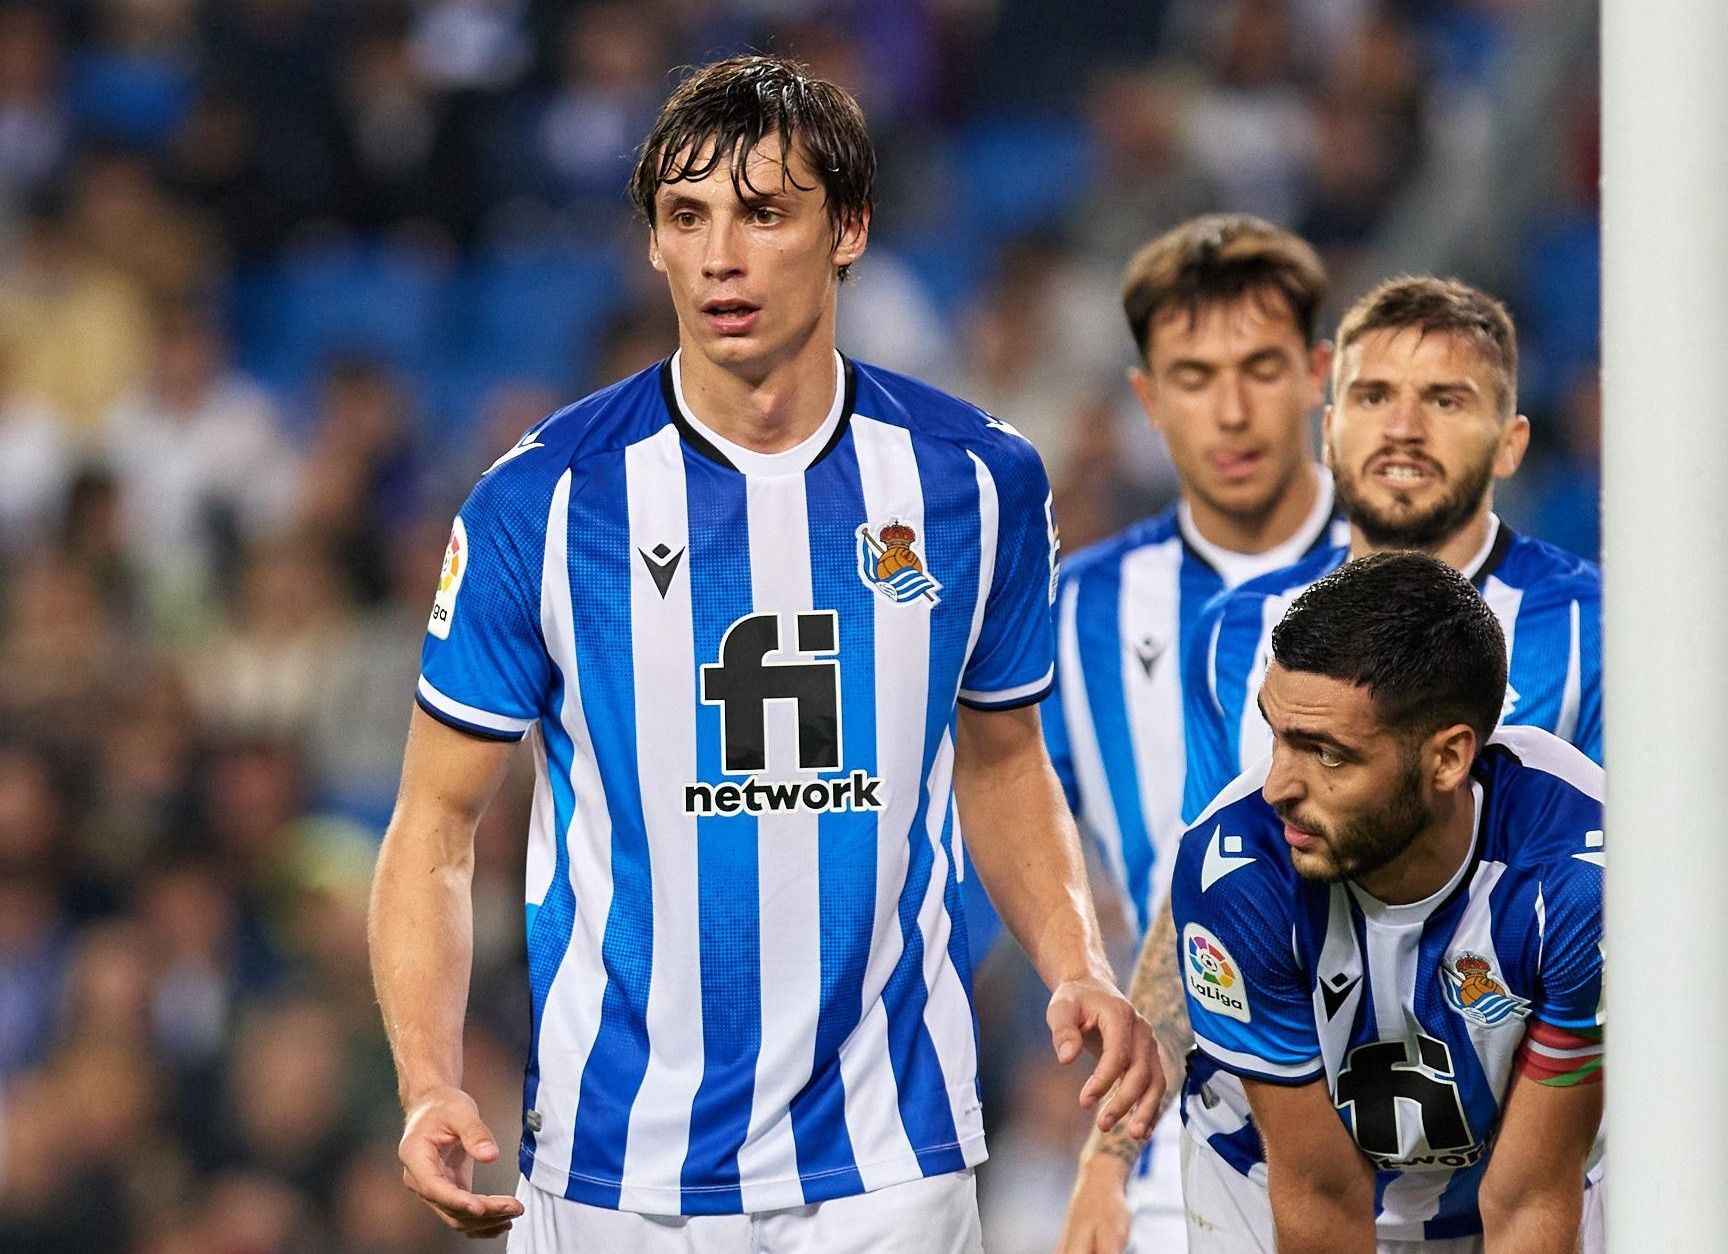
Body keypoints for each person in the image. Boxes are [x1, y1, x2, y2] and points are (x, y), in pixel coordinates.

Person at [367, 54, 1159, 1251]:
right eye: (686, 218)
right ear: (652, 245)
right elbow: (432, 824)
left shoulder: (978, 483)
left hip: (889, 1158)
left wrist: (1076, 963)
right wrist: (429, 1079)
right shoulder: (542, 503)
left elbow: (1002, 761)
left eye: (763, 212)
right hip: (608, 1167)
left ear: (849, 229)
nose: (720, 255)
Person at [1049, 214, 1345, 1252]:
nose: (1231, 410)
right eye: (1193, 374)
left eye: (1262, 368)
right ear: (1147, 398)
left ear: (1318, 374)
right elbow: (1014, 847)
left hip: (1398, 1104)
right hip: (1185, 1116)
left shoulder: (1409, 584)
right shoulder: (1076, 612)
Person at [1169, 552, 1603, 1251]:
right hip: (1263, 1180)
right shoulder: (1237, 873)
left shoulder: (1582, 880)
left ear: (1448, 759)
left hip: (1504, 1179)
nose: (1278, 785)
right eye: (1277, 735)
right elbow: (1319, 1193)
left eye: (1327, 753)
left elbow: (1529, 1197)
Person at [1181, 275, 1602, 826]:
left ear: (1509, 445)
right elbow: (1210, 870)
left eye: (1444, 400)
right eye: (1374, 397)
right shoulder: (1231, 633)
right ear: (1328, 434)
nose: (1403, 429)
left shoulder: (1596, 629)